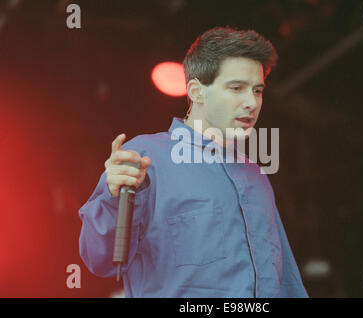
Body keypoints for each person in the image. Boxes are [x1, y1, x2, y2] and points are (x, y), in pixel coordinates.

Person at [78, 26, 308, 298]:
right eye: (237, 88)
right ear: (196, 91)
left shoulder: (255, 173)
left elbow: (286, 280)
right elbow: (99, 260)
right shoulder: (145, 157)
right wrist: (113, 200)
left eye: (257, 91)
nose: (252, 102)